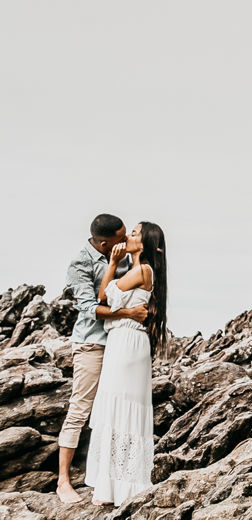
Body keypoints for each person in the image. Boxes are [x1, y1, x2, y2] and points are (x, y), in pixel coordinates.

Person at [55, 215, 145, 504]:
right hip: (92, 344)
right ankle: (63, 481)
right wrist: (128, 314)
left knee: (112, 411)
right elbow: (90, 307)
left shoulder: (128, 259)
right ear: (105, 244)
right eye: (120, 238)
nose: (124, 241)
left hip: (121, 345)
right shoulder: (80, 264)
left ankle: (107, 477)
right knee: (81, 408)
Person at [86, 221, 166, 507]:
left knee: (120, 407)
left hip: (127, 345)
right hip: (123, 342)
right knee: (117, 407)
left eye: (134, 233)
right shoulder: (138, 270)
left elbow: (103, 296)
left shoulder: (142, 270)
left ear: (145, 243)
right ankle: (113, 485)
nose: (128, 236)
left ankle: (121, 486)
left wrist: (111, 262)